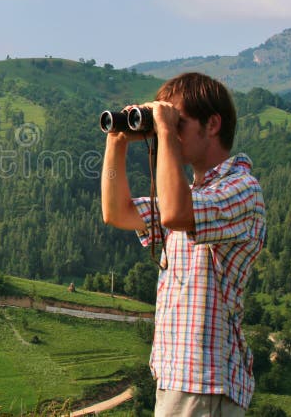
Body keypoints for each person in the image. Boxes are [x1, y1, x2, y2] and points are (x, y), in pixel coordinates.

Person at [101, 72, 266, 416]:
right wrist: (116, 141)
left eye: (180, 122)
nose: (171, 132)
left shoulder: (241, 189)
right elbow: (117, 212)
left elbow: (175, 214)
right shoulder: (192, 195)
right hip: (177, 375)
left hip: (204, 380)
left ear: (212, 124)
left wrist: (163, 132)